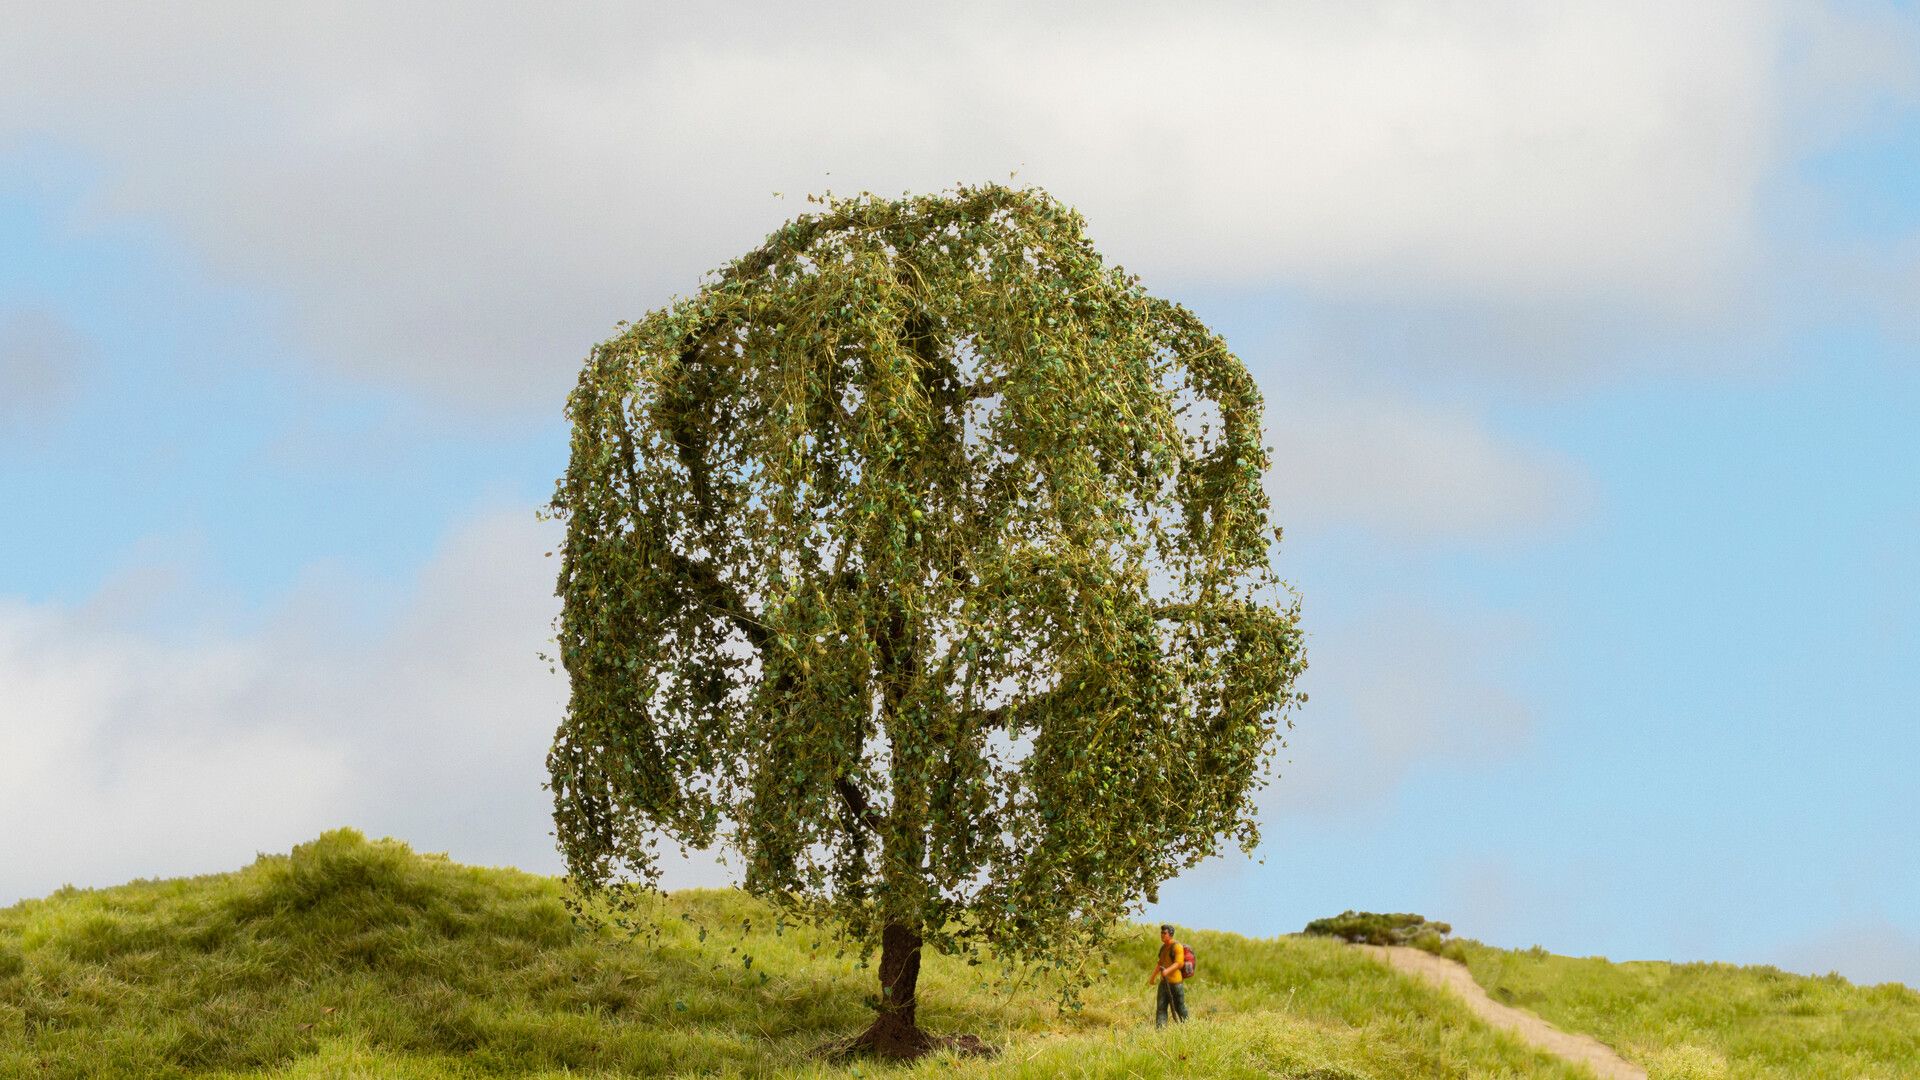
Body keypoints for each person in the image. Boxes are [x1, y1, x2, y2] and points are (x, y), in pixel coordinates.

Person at [1147, 923, 1189, 1027]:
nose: (1162, 935)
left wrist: (1167, 971)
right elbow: (1160, 963)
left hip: (1175, 983)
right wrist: (1153, 977)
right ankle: (1160, 1030)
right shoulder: (1163, 948)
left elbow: (1179, 963)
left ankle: (1188, 1026)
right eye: (1161, 933)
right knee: (1161, 1007)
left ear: (1170, 934)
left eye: (1164, 933)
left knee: (1180, 1007)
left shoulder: (1177, 946)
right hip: (1163, 983)